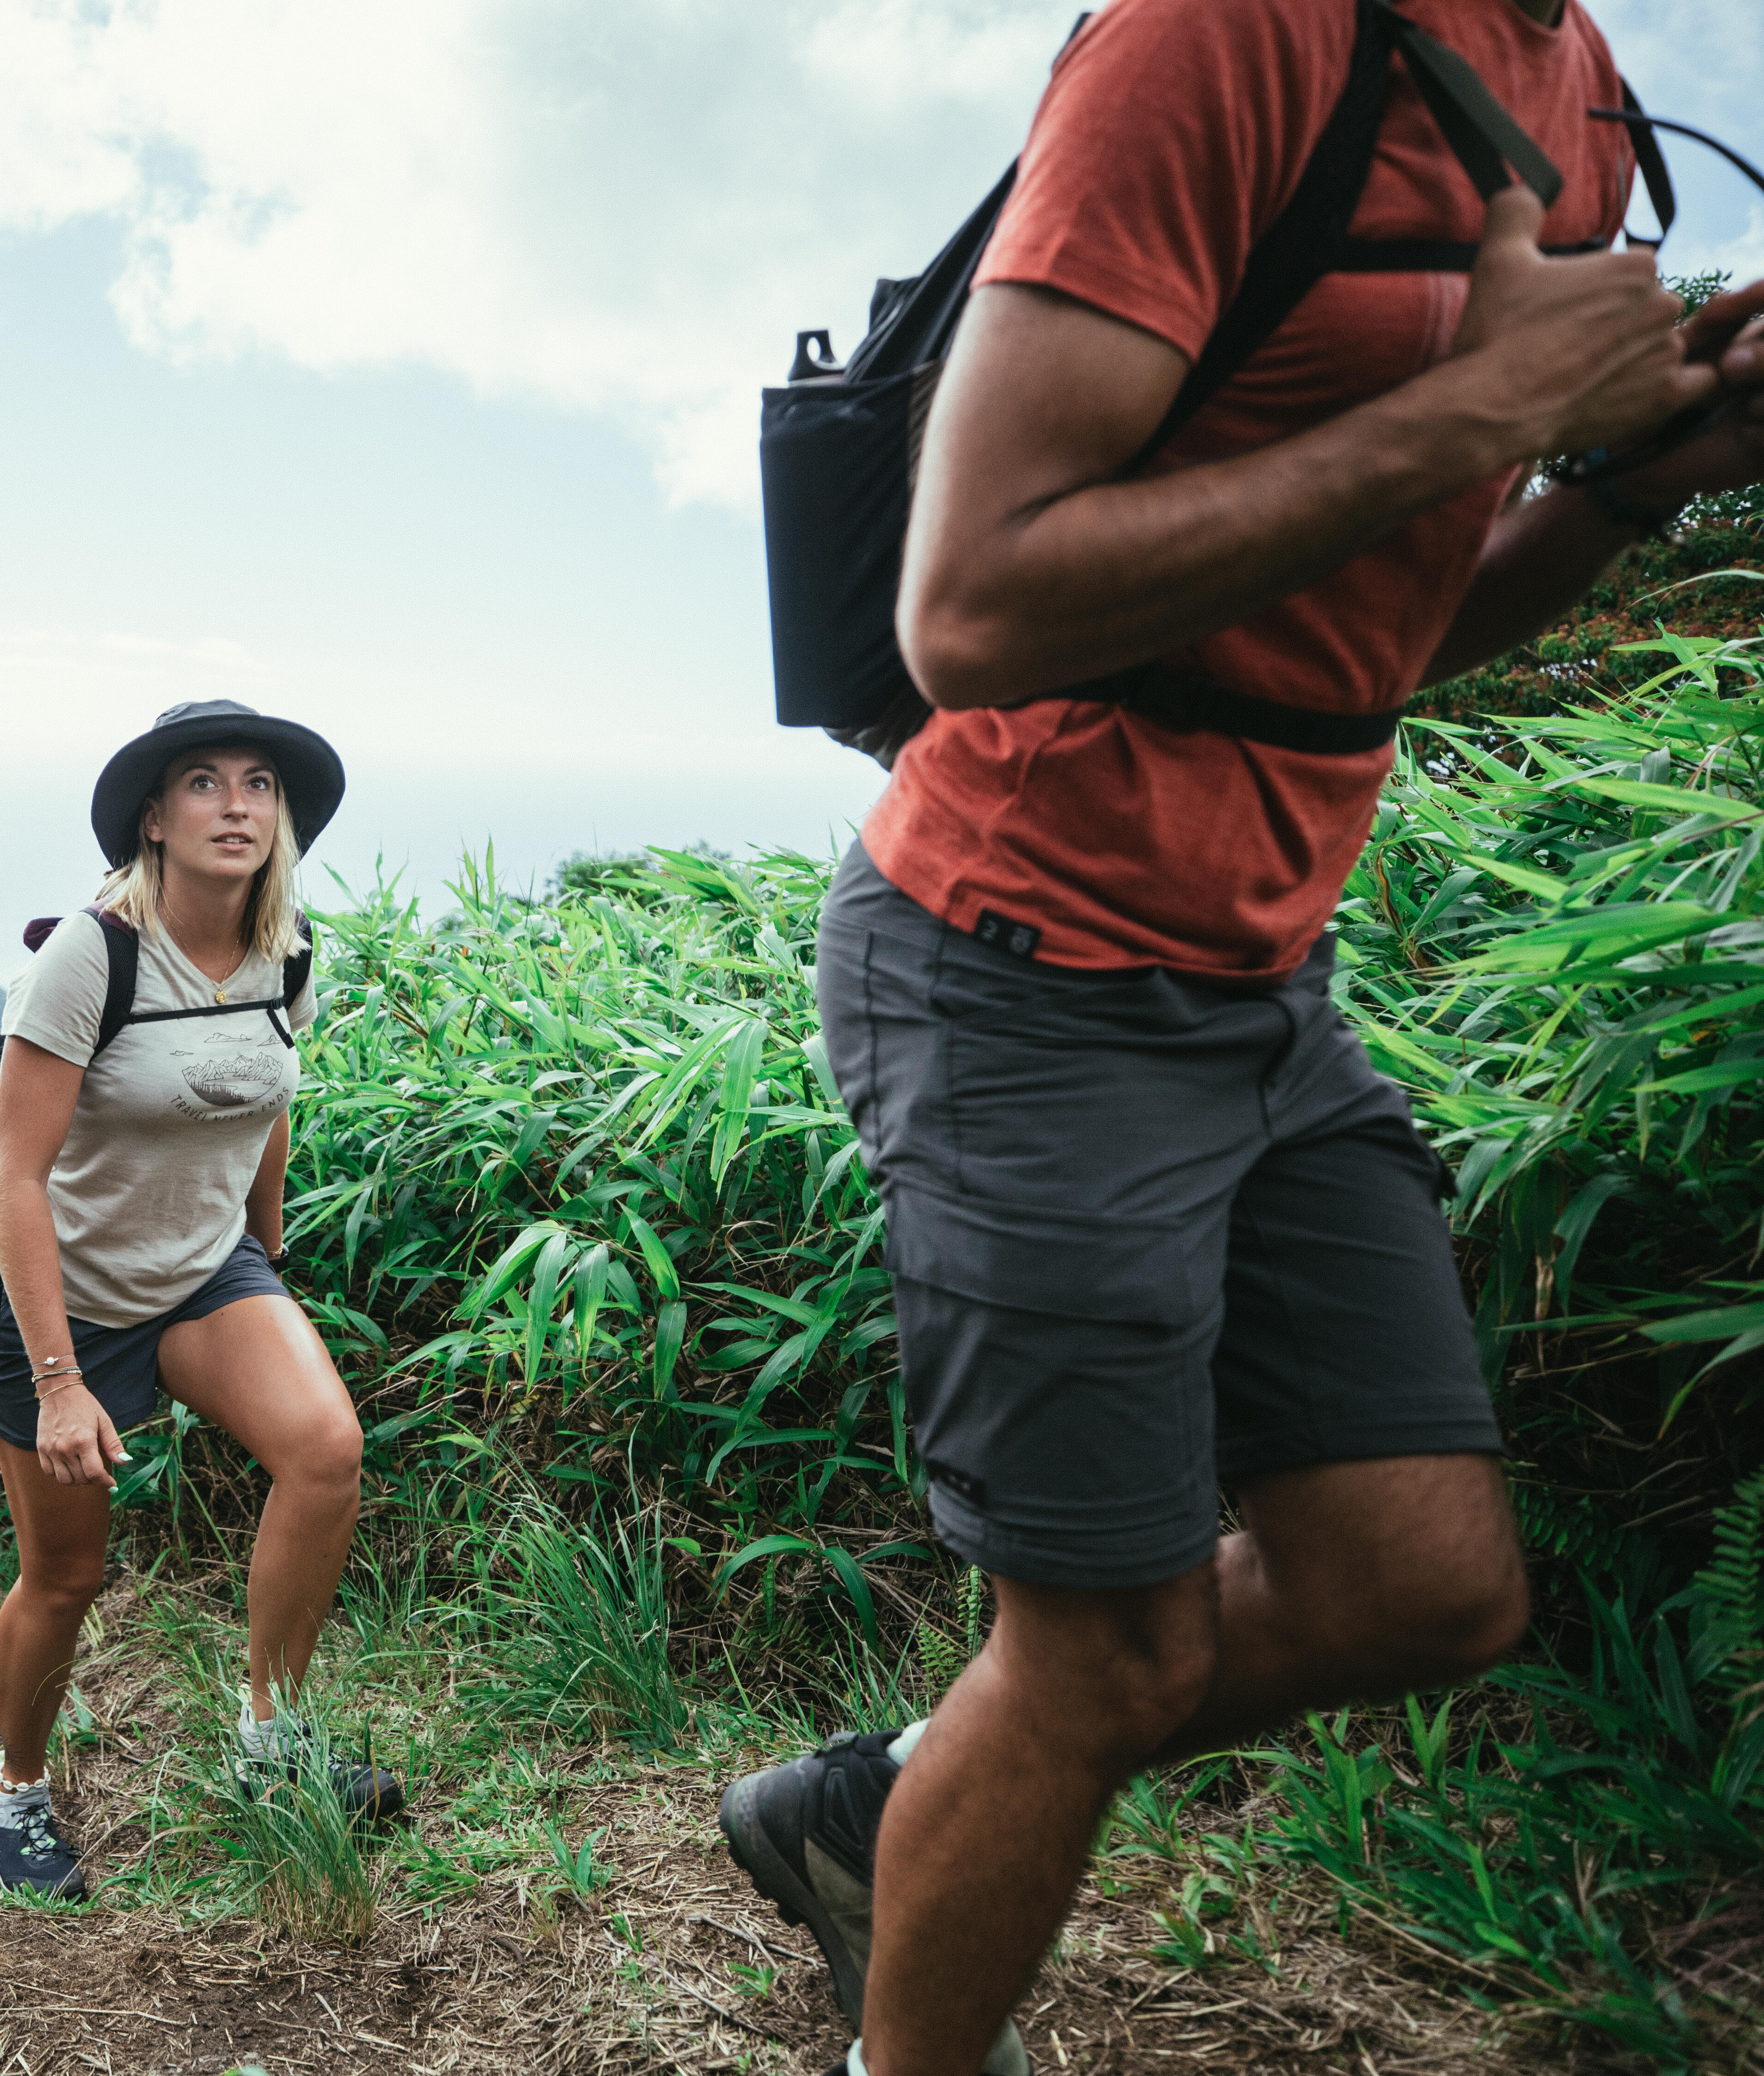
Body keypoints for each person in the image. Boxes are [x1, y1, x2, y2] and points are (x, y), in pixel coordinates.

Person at [714, 3, 1764, 2073]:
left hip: (1260, 981)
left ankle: (890, 1799)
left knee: (1424, 1581)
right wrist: (1482, 416)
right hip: (1018, 956)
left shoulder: (1583, 95)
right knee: (1104, 1653)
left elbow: (1379, 639)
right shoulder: (1228, 36)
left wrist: (1643, 481)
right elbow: (973, 605)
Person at [0, 698, 401, 1899]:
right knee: (67, 1581)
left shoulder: (287, 948)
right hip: (68, 1300)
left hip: (204, 1272)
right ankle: (15, 1794)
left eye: (258, 783)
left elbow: (267, 1098)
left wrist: (263, 1250)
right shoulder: (92, 955)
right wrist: (58, 1385)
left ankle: (272, 1741)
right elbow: (14, 1184)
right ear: (155, 820)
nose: (237, 804)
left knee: (326, 1449)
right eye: (205, 782)